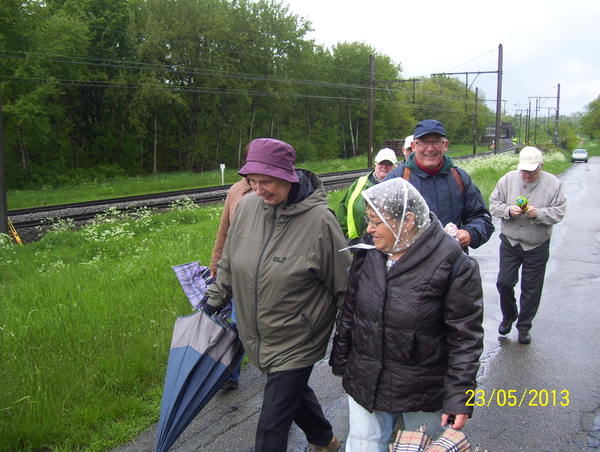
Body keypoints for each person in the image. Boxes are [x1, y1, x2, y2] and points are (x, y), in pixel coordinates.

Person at [204, 138, 352, 452]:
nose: (258, 189)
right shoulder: (246, 207)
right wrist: (213, 300)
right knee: (290, 396)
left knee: (271, 426)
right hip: (256, 332)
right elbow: (229, 261)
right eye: (251, 181)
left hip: (298, 338)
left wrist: (350, 338)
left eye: (266, 181)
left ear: (288, 175)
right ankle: (325, 440)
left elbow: (345, 285)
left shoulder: (320, 222)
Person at [331, 178, 484, 451]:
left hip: (422, 390)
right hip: (367, 380)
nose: (369, 229)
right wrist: (342, 361)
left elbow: (465, 338)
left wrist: (461, 396)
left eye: (377, 222)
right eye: (368, 220)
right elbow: (351, 310)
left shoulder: (453, 263)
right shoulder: (369, 250)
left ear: (408, 220)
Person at [489, 146, 567, 344]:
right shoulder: (507, 179)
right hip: (510, 242)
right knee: (504, 282)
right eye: (523, 170)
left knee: (531, 288)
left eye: (532, 171)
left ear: (541, 166)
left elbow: (559, 212)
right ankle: (509, 315)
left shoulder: (553, 184)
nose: (526, 175)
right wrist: (508, 211)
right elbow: (493, 204)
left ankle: (524, 326)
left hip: (537, 245)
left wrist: (538, 214)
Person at [385, 119, 494, 251]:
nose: (430, 149)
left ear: (445, 145)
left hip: (452, 262)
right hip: (409, 264)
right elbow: (379, 223)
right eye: (423, 142)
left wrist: (470, 233)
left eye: (436, 141)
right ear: (414, 146)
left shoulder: (460, 178)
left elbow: (481, 218)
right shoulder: (396, 180)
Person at [209, 147, 253, 390]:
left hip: (266, 273)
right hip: (238, 271)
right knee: (236, 324)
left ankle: (279, 380)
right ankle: (230, 375)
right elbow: (224, 229)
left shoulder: (272, 188)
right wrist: (216, 263)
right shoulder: (235, 191)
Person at [337, 148, 398, 245]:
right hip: (357, 242)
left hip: (388, 244)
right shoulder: (360, 183)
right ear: (375, 163)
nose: (384, 166)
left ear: (395, 166)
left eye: (389, 164)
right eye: (381, 163)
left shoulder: (399, 187)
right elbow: (343, 211)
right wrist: (339, 237)